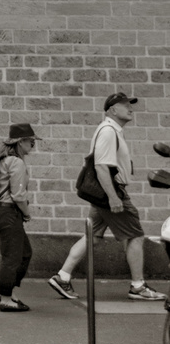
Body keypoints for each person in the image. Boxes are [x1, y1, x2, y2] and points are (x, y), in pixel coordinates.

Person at [49, 93, 166, 302]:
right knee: (135, 236)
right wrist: (113, 197)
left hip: (104, 194)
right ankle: (138, 286)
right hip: (111, 192)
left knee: (92, 236)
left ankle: (62, 276)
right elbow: (101, 166)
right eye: (125, 105)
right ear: (113, 110)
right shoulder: (108, 131)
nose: (131, 109)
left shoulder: (112, 131)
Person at [0, 123, 40, 311]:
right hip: (8, 212)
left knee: (24, 253)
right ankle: (6, 299)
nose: (33, 145)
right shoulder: (15, 162)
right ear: (21, 142)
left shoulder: (3, 159)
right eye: (31, 142)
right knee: (13, 256)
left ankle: (7, 293)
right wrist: (27, 213)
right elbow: (18, 195)